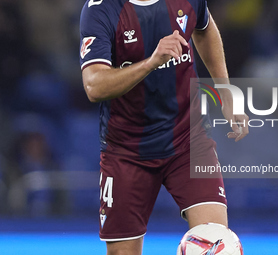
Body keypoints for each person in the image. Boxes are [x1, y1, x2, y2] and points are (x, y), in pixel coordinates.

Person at [79, 0, 249, 254]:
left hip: (187, 139)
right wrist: (151, 62)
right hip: (127, 151)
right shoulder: (101, 10)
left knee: (216, 242)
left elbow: (204, 27)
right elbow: (94, 86)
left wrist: (225, 91)